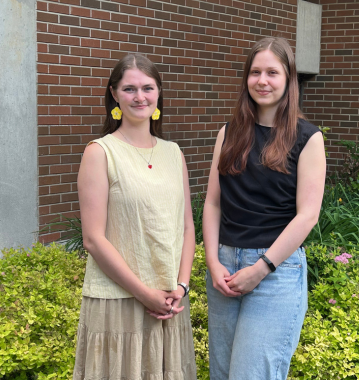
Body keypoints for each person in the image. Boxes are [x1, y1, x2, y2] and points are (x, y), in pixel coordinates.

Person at [203, 37, 326, 380]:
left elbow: (308, 215)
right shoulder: (228, 134)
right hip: (225, 269)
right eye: (255, 72)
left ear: (288, 79)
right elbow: (213, 203)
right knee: (223, 374)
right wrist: (213, 263)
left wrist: (261, 267)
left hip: (275, 273)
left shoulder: (308, 138)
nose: (262, 80)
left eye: (272, 72)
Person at [73, 54, 197, 380]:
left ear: (158, 94)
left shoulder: (174, 153)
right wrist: (145, 294)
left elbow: (186, 227)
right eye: (129, 89)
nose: (139, 97)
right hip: (119, 303)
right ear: (114, 94)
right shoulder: (100, 152)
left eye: (147, 88)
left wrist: (181, 286)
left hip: (169, 305)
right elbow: (93, 239)